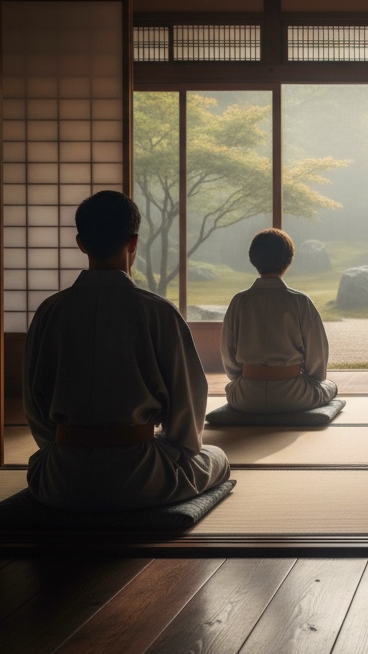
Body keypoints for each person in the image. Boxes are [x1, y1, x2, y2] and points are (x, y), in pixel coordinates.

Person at [24, 190, 230, 511]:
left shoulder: (50, 312)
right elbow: (188, 398)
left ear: (81, 243)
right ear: (133, 243)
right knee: (216, 457)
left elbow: (33, 403)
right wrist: (177, 448)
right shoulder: (158, 311)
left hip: (61, 480)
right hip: (141, 478)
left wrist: (61, 449)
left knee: (39, 463)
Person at [220, 228, 338, 413]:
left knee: (231, 389)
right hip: (295, 396)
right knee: (330, 386)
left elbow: (229, 357)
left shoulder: (239, 302)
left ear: (253, 259)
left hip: (246, 397)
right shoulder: (301, 302)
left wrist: (242, 377)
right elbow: (317, 362)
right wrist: (311, 380)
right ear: (288, 260)